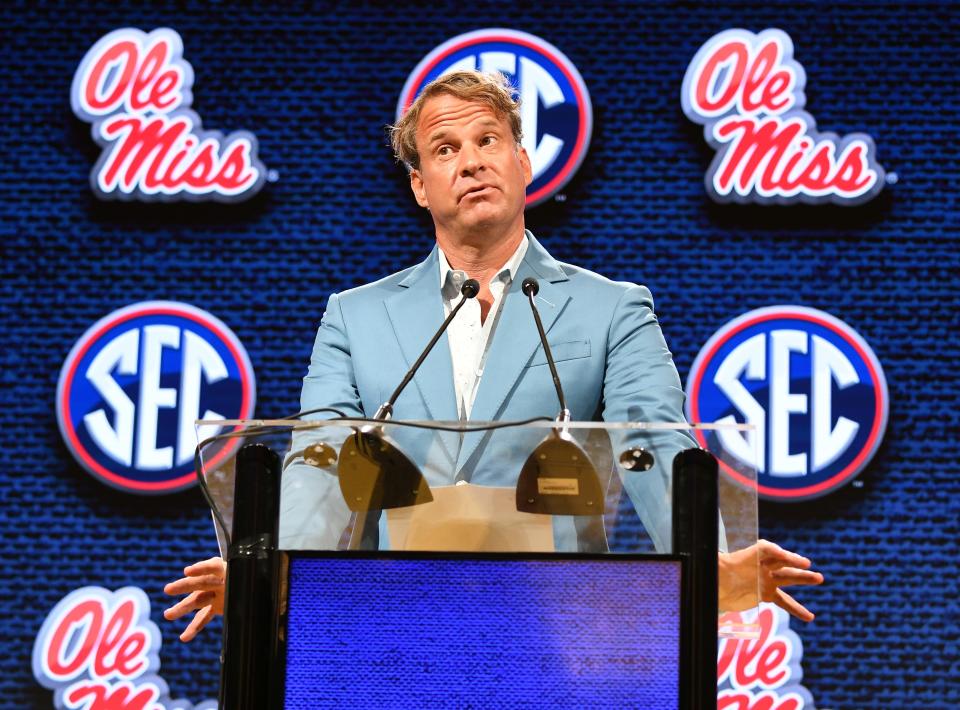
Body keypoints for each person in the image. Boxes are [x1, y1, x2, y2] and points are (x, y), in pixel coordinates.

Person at [165, 70, 823, 642]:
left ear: (522, 161)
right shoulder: (356, 317)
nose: (472, 161)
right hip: (389, 629)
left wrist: (708, 563)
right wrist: (267, 570)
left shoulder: (611, 308)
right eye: (446, 149)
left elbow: (654, 443)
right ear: (421, 186)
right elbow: (324, 457)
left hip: (558, 633)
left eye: (488, 141)